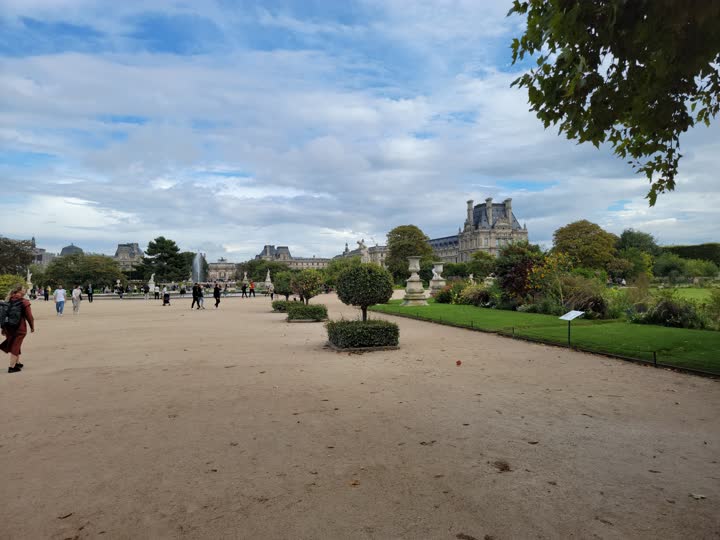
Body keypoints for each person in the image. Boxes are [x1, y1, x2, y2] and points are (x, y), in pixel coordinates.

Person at [1, 284, 35, 373]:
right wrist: (32, 327)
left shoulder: (8, 299)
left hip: (8, 327)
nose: (26, 290)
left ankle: (17, 362)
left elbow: (4, 315)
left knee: (16, 343)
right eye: (24, 289)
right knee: (15, 345)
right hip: (20, 328)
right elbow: (29, 317)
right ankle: (12, 367)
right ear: (20, 291)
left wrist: (3, 328)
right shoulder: (24, 302)